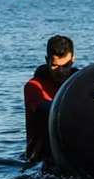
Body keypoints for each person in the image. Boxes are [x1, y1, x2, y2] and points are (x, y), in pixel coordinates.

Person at [24, 35, 78, 166]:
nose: (61, 71)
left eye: (65, 65)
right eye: (55, 66)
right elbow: (47, 109)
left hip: (72, 151)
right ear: (47, 60)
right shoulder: (33, 87)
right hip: (40, 157)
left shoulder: (79, 83)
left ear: (73, 60)